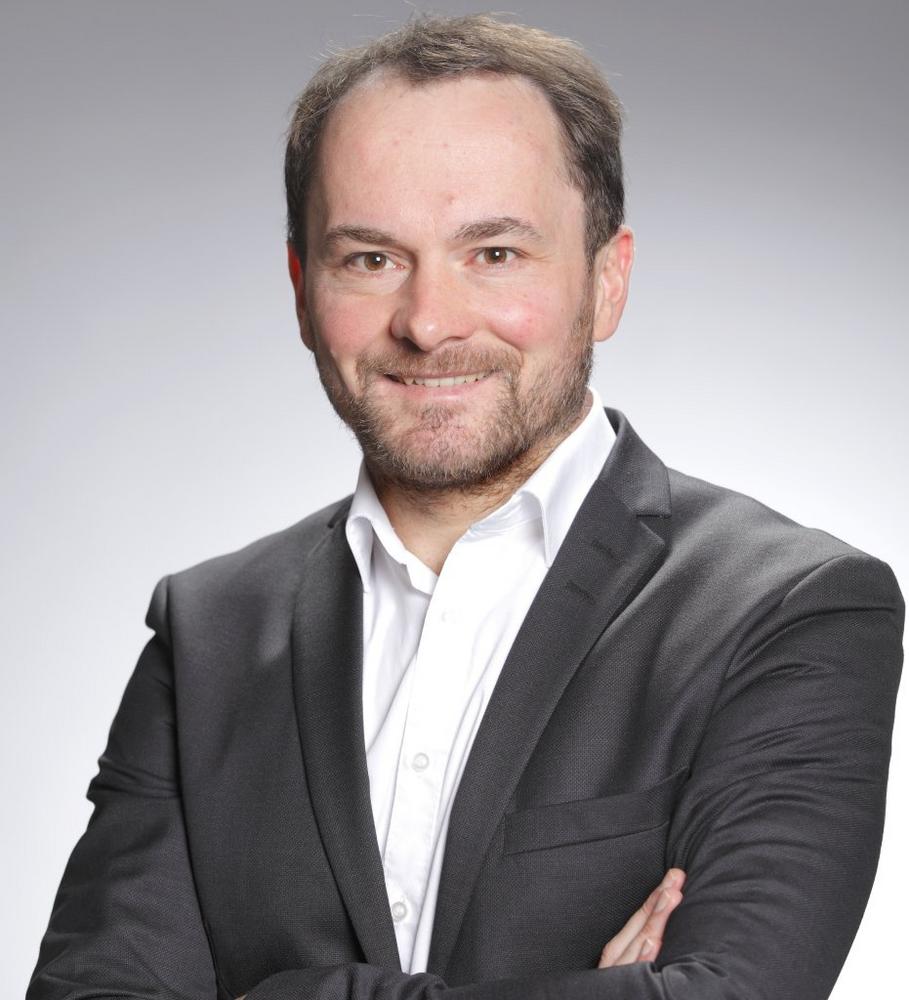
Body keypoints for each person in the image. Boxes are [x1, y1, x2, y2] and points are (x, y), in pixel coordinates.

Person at [28, 13, 903, 1000]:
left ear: (606, 280)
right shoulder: (208, 634)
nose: (428, 322)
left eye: (493, 253)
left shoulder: (788, 609)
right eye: (370, 259)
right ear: (302, 288)